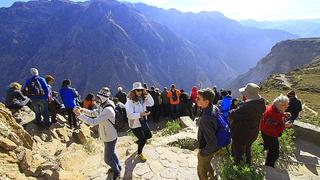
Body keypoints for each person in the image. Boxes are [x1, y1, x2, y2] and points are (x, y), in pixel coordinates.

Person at [74, 87, 121, 180]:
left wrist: (80, 116)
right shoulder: (105, 104)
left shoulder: (108, 109)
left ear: (103, 98)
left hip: (110, 136)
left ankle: (117, 172)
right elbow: (93, 113)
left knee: (107, 159)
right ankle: (117, 167)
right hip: (107, 134)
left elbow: (94, 121)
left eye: (99, 97)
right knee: (112, 153)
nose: (97, 100)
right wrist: (82, 110)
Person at [228, 83, 266, 165]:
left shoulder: (248, 107)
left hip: (241, 135)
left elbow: (232, 114)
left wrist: (237, 107)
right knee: (247, 149)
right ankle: (248, 165)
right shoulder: (260, 104)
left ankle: (238, 171)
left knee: (238, 154)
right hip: (252, 133)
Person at [260, 95, 292, 168]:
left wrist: (284, 114)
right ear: (280, 105)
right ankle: (269, 166)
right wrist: (284, 125)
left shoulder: (273, 107)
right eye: (285, 106)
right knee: (274, 152)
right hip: (269, 134)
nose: (286, 107)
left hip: (265, 132)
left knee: (267, 145)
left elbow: (278, 113)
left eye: (287, 105)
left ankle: (261, 148)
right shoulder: (271, 113)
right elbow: (271, 128)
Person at [125, 82, 154, 162]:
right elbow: (130, 115)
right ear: (134, 91)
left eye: (141, 90)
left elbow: (151, 103)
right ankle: (139, 153)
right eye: (137, 90)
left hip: (143, 121)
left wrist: (147, 93)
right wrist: (141, 114)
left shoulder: (143, 99)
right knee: (143, 139)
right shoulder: (129, 102)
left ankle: (138, 142)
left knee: (149, 135)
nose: (139, 92)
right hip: (135, 124)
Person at [196, 88, 219, 180]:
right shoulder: (213, 107)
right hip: (213, 145)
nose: (196, 100)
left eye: (198, 99)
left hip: (207, 147)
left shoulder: (206, 119)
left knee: (201, 170)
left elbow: (212, 143)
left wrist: (202, 152)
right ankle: (213, 176)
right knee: (207, 164)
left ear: (206, 101)